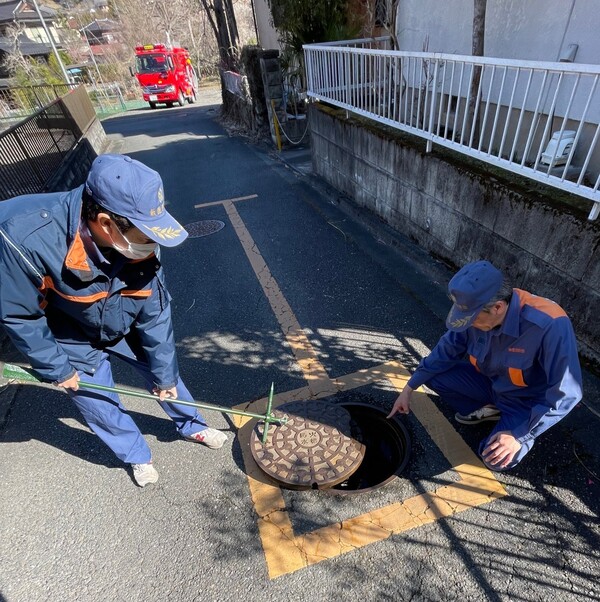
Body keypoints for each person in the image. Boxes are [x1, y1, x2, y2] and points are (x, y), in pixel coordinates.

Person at [0, 154, 226, 487]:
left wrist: (164, 375)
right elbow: (20, 314)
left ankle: (192, 424)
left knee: (167, 375)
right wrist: (57, 368)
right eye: (145, 235)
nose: (152, 244)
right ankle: (136, 455)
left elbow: (156, 313)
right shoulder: (24, 237)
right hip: (69, 327)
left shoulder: (141, 240)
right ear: (106, 223)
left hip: (124, 313)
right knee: (95, 399)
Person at [387, 260, 583, 471]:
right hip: (490, 384)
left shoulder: (549, 324)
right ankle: (490, 410)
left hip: (524, 403)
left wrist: (518, 434)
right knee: (432, 376)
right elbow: (445, 350)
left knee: (494, 459)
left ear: (497, 307)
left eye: (471, 320)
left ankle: (508, 423)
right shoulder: (476, 309)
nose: (467, 325)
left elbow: (567, 394)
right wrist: (409, 388)